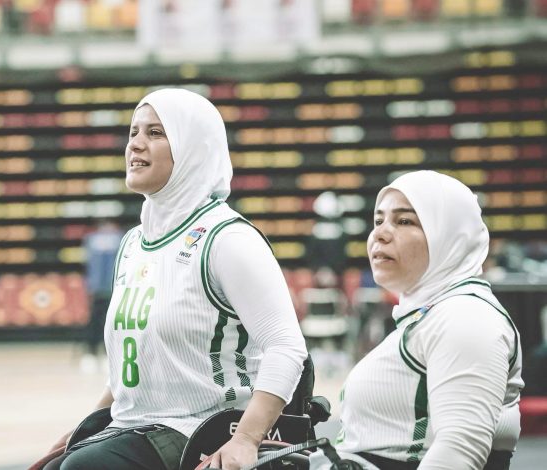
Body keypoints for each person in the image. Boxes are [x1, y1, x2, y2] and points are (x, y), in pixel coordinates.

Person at [37, 88, 308, 470]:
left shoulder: (227, 239)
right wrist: (85, 429)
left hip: (205, 428)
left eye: (155, 133)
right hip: (137, 427)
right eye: (133, 132)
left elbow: (287, 348)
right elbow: (131, 371)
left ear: (193, 148)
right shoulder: (133, 243)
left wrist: (246, 440)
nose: (136, 144)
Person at [311, 170, 524, 469]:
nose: (380, 234)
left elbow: (459, 452)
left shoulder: (466, 316)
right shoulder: (431, 314)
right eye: (378, 221)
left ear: (449, 235)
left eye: (404, 221)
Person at [80, 219, 123, 374]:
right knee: (95, 323)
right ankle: (91, 354)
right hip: (99, 289)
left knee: (109, 323)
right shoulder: (92, 239)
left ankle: (107, 355)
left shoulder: (120, 238)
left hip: (112, 288)